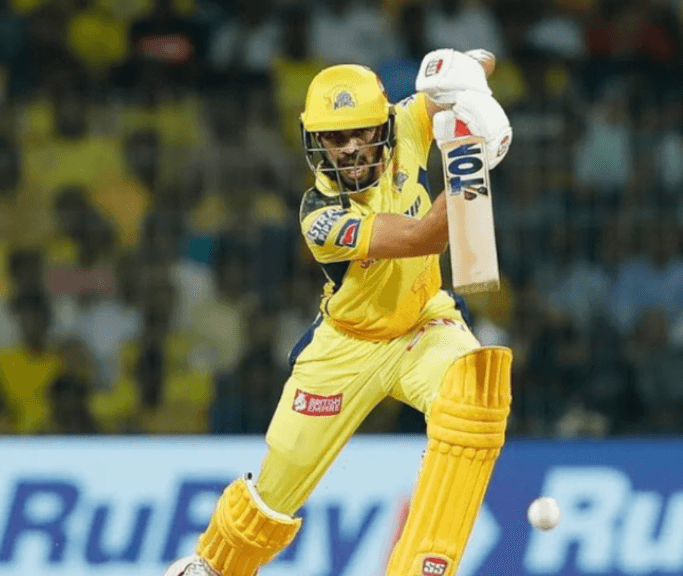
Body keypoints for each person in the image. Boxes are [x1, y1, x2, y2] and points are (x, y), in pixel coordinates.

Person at [166, 49, 513, 576]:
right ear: (316, 142)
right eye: (335, 138)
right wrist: (473, 161)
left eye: (362, 133)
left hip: (423, 325)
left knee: (475, 393)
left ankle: (422, 567)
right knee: (278, 485)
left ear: (384, 125)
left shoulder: (406, 124)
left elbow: (475, 65)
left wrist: (467, 84)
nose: (351, 148)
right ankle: (213, 564)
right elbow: (423, 237)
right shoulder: (321, 215)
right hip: (346, 346)